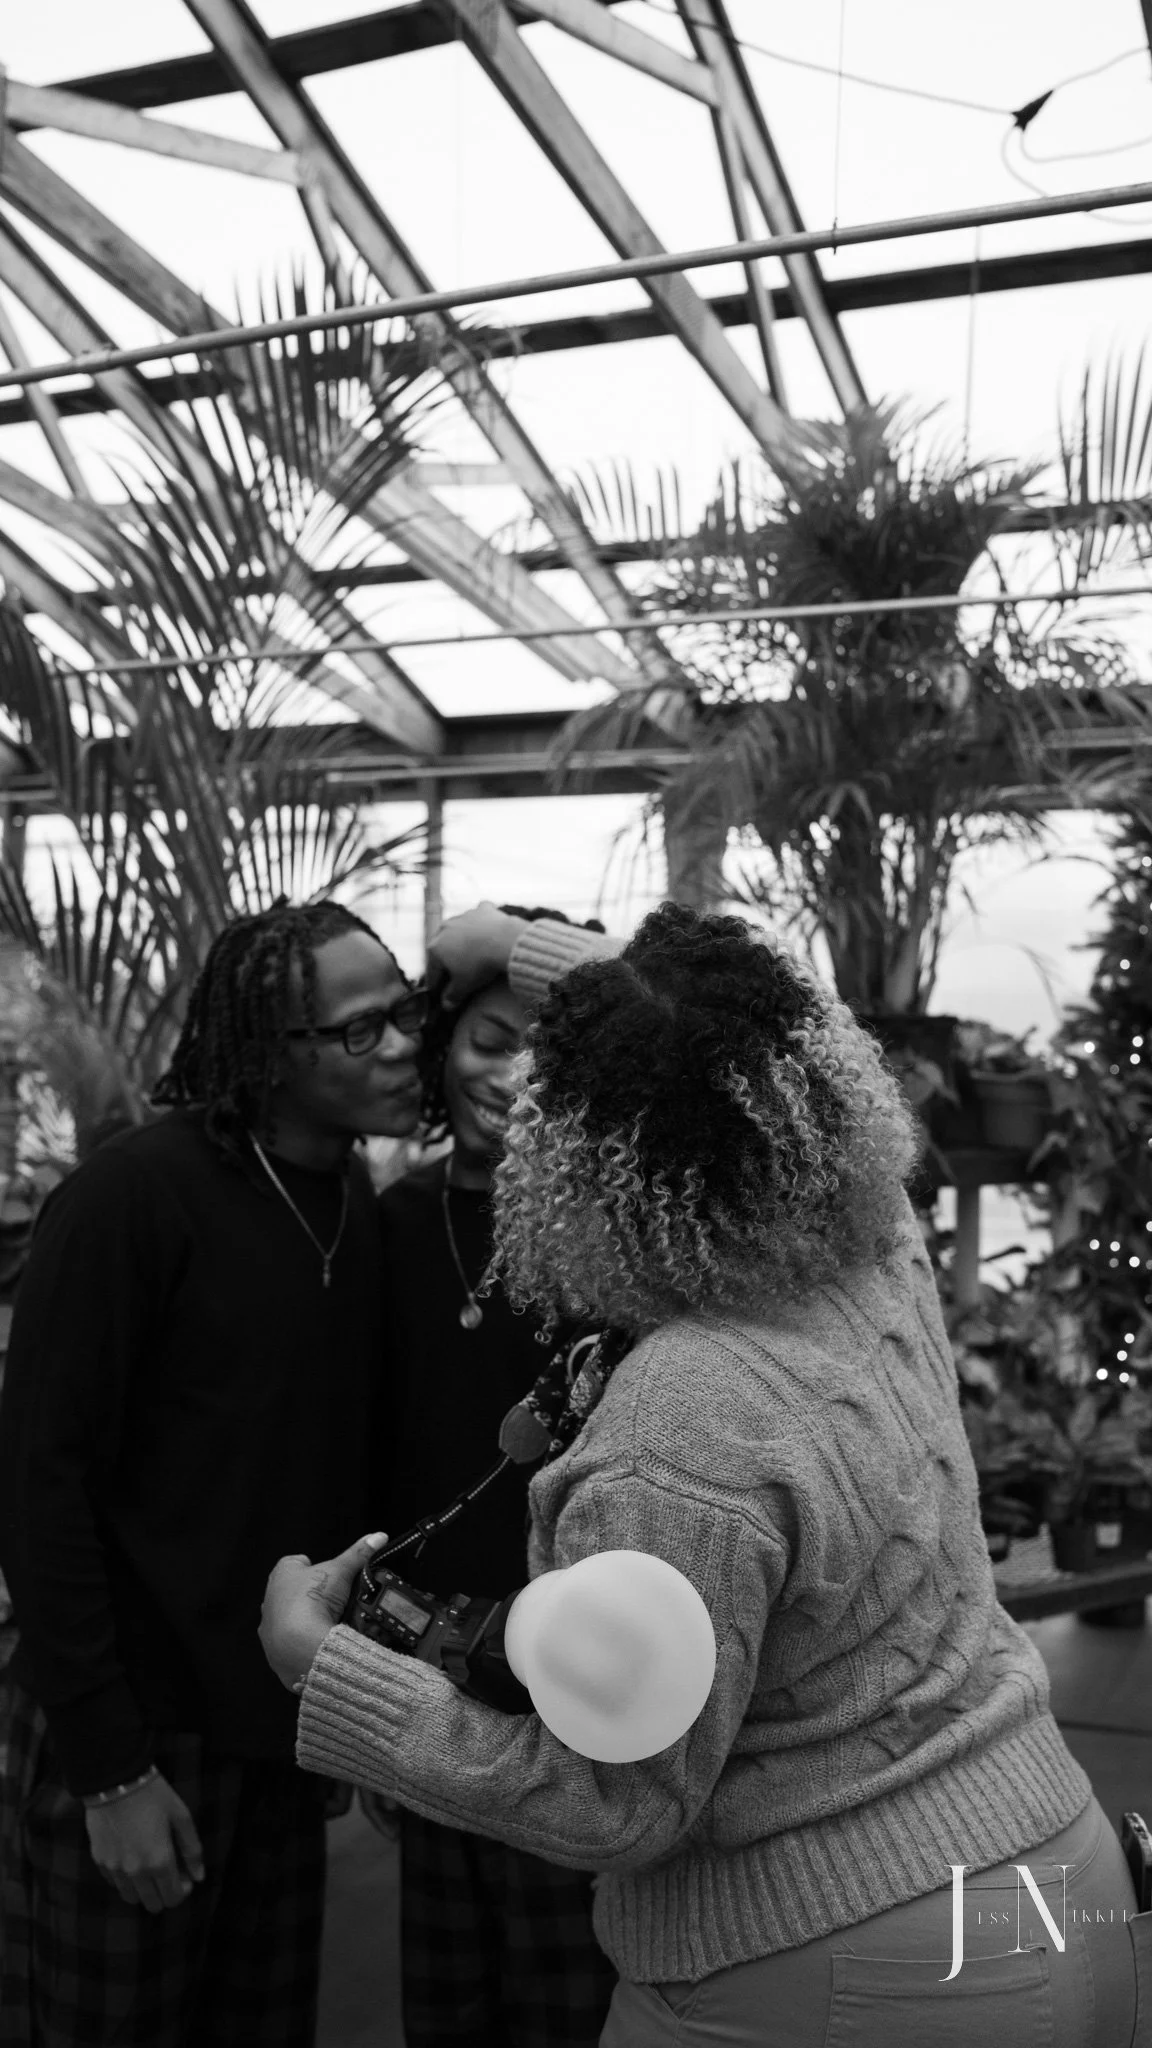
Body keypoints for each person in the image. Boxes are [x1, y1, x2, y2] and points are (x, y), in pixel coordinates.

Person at [262, 902, 1148, 2048]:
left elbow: (615, 1798)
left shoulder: (679, 1417)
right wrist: (530, 952)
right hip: (1062, 1875)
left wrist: (324, 1669)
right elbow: (787, 1027)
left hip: (845, 1960)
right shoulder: (880, 1240)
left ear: (577, 1167)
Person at [0, 899, 425, 2048]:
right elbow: (38, 1487)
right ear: (266, 1053)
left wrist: (347, 1710)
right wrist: (108, 1772)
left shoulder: (365, 1215)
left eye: (407, 1012)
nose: (401, 1045)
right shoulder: (130, 1201)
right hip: (134, 1732)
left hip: (275, 1728)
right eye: (359, 1028)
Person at [377, 905, 617, 2048]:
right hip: (427, 1665)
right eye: (485, 1035)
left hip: (586, 1686)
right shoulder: (390, 1222)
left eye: (545, 1044)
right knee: (448, 2000)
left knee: (574, 1994)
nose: (511, 1069)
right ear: (438, 1046)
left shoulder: (620, 1241)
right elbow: (368, 1444)